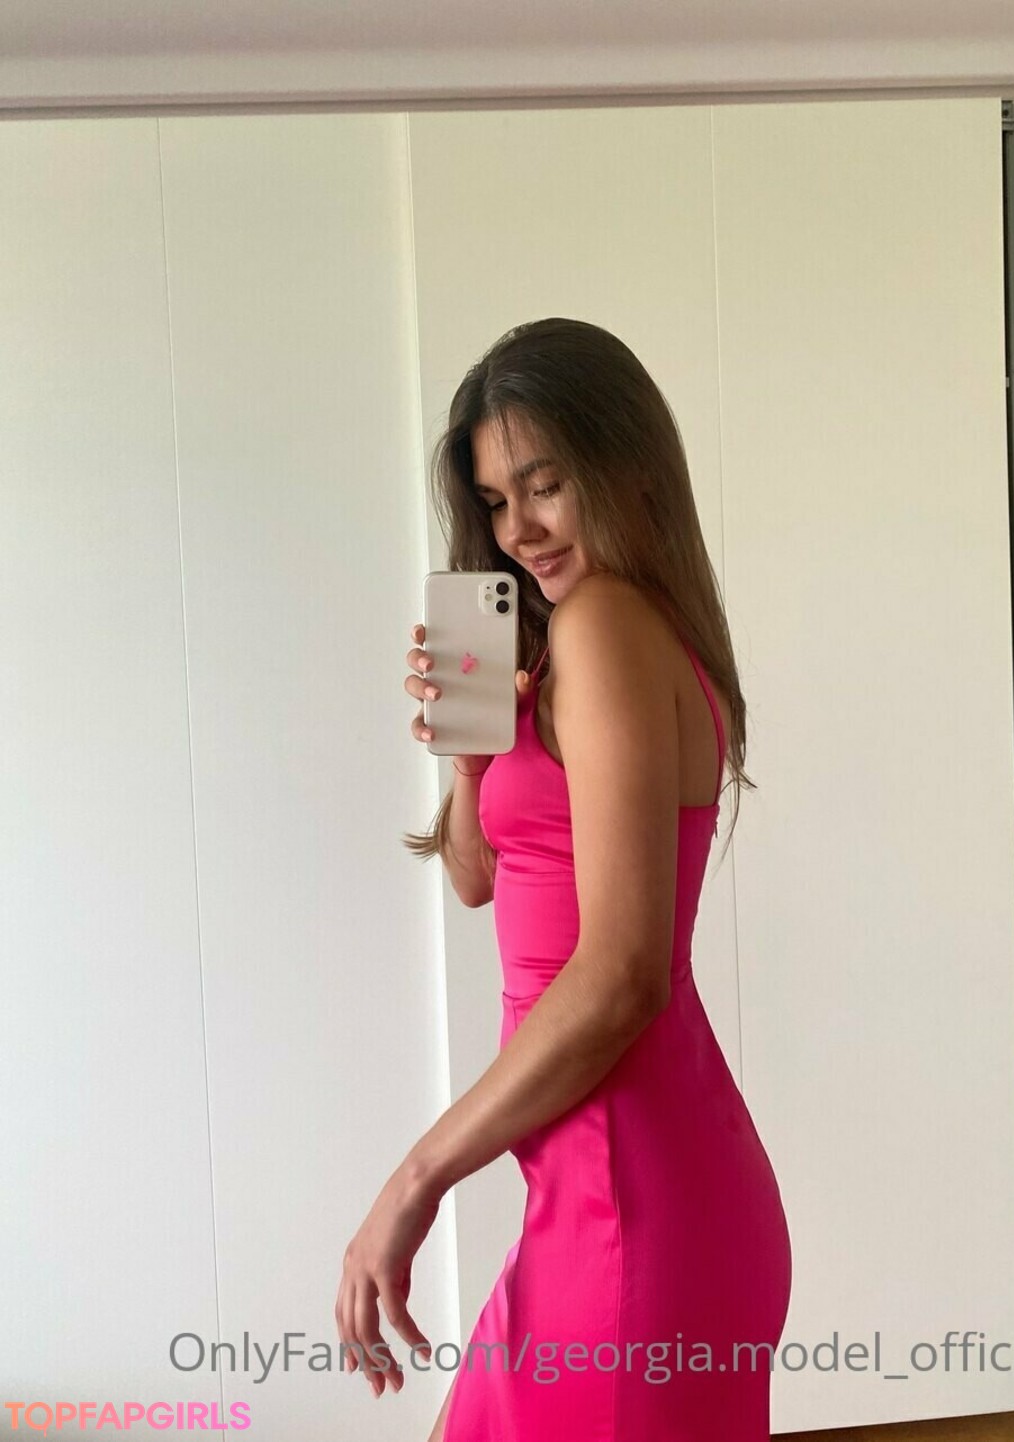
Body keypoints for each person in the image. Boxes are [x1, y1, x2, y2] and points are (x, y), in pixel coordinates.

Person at [334, 318, 792, 1440]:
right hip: (603, 1186)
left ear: (627, 466)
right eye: (496, 500)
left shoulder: (608, 624)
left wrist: (415, 1180)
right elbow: (477, 880)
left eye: (545, 486)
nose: (518, 529)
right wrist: (472, 755)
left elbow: (624, 972)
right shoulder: (580, 642)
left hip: (631, 1199)